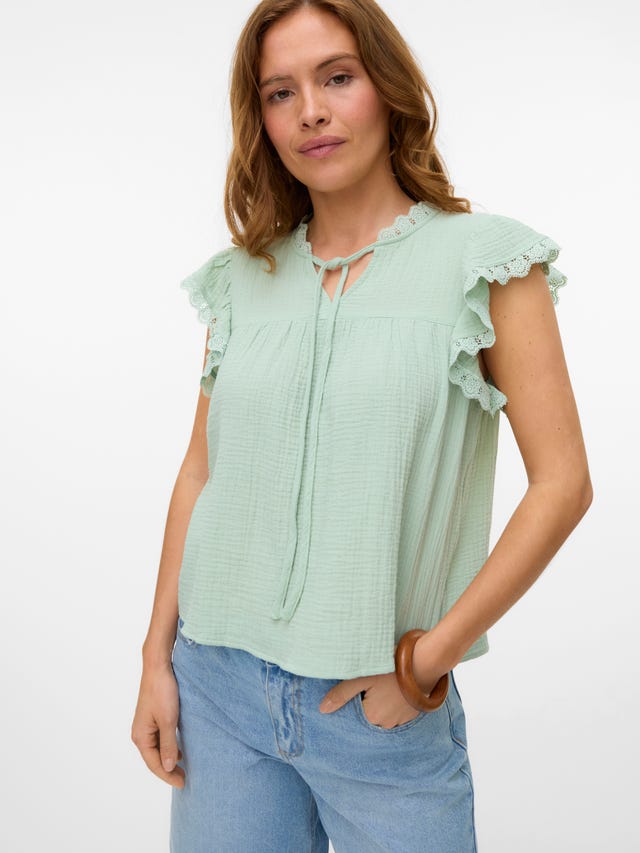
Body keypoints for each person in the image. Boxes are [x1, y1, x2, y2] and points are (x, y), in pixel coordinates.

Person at [131, 1, 593, 850]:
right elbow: (201, 471)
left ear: (387, 87)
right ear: (262, 120)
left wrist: (426, 662)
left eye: (337, 78)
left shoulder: (486, 263)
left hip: (383, 711)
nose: (310, 110)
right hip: (217, 695)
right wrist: (156, 660)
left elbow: (563, 485)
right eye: (281, 92)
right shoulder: (240, 280)